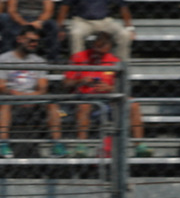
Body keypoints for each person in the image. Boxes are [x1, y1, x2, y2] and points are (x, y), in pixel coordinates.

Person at [64, 30, 151, 158]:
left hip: (108, 99)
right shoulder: (78, 58)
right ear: (93, 45)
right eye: (97, 52)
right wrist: (80, 81)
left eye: (103, 53)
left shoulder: (114, 61)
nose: (99, 56)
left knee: (134, 104)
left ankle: (139, 145)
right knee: (84, 105)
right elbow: (66, 83)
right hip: (84, 98)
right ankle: (81, 145)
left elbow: (122, 88)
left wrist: (109, 88)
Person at [0, 26, 63, 158]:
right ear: (19, 39)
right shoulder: (3, 59)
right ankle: (3, 144)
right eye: (31, 40)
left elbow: (43, 87)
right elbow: (0, 86)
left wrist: (31, 97)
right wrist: (17, 95)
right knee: (4, 103)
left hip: (34, 98)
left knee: (53, 104)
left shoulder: (39, 61)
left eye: (36, 41)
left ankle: (57, 144)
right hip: (11, 97)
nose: (34, 44)